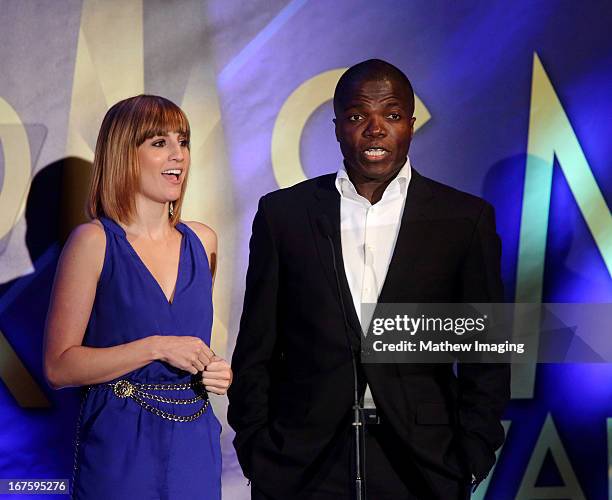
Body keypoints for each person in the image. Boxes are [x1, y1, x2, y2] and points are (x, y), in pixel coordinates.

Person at [228, 59, 510, 499]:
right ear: (338, 126)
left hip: (422, 465)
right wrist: (258, 450)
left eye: (392, 115)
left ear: (411, 125)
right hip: (302, 465)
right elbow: (256, 349)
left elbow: (486, 355)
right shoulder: (284, 214)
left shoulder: (464, 218)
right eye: (359, 116)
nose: (375, 129)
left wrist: (470, 457)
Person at [44, 95, 232, 500]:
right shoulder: (94, 242)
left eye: (182, 141)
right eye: (159, 143)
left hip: (193, 440)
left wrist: (213, 369)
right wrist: (155, 348)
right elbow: (59, 367)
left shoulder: (203, 240)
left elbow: (188, 340)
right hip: (120, 443)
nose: (178, 155)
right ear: (123, 154)